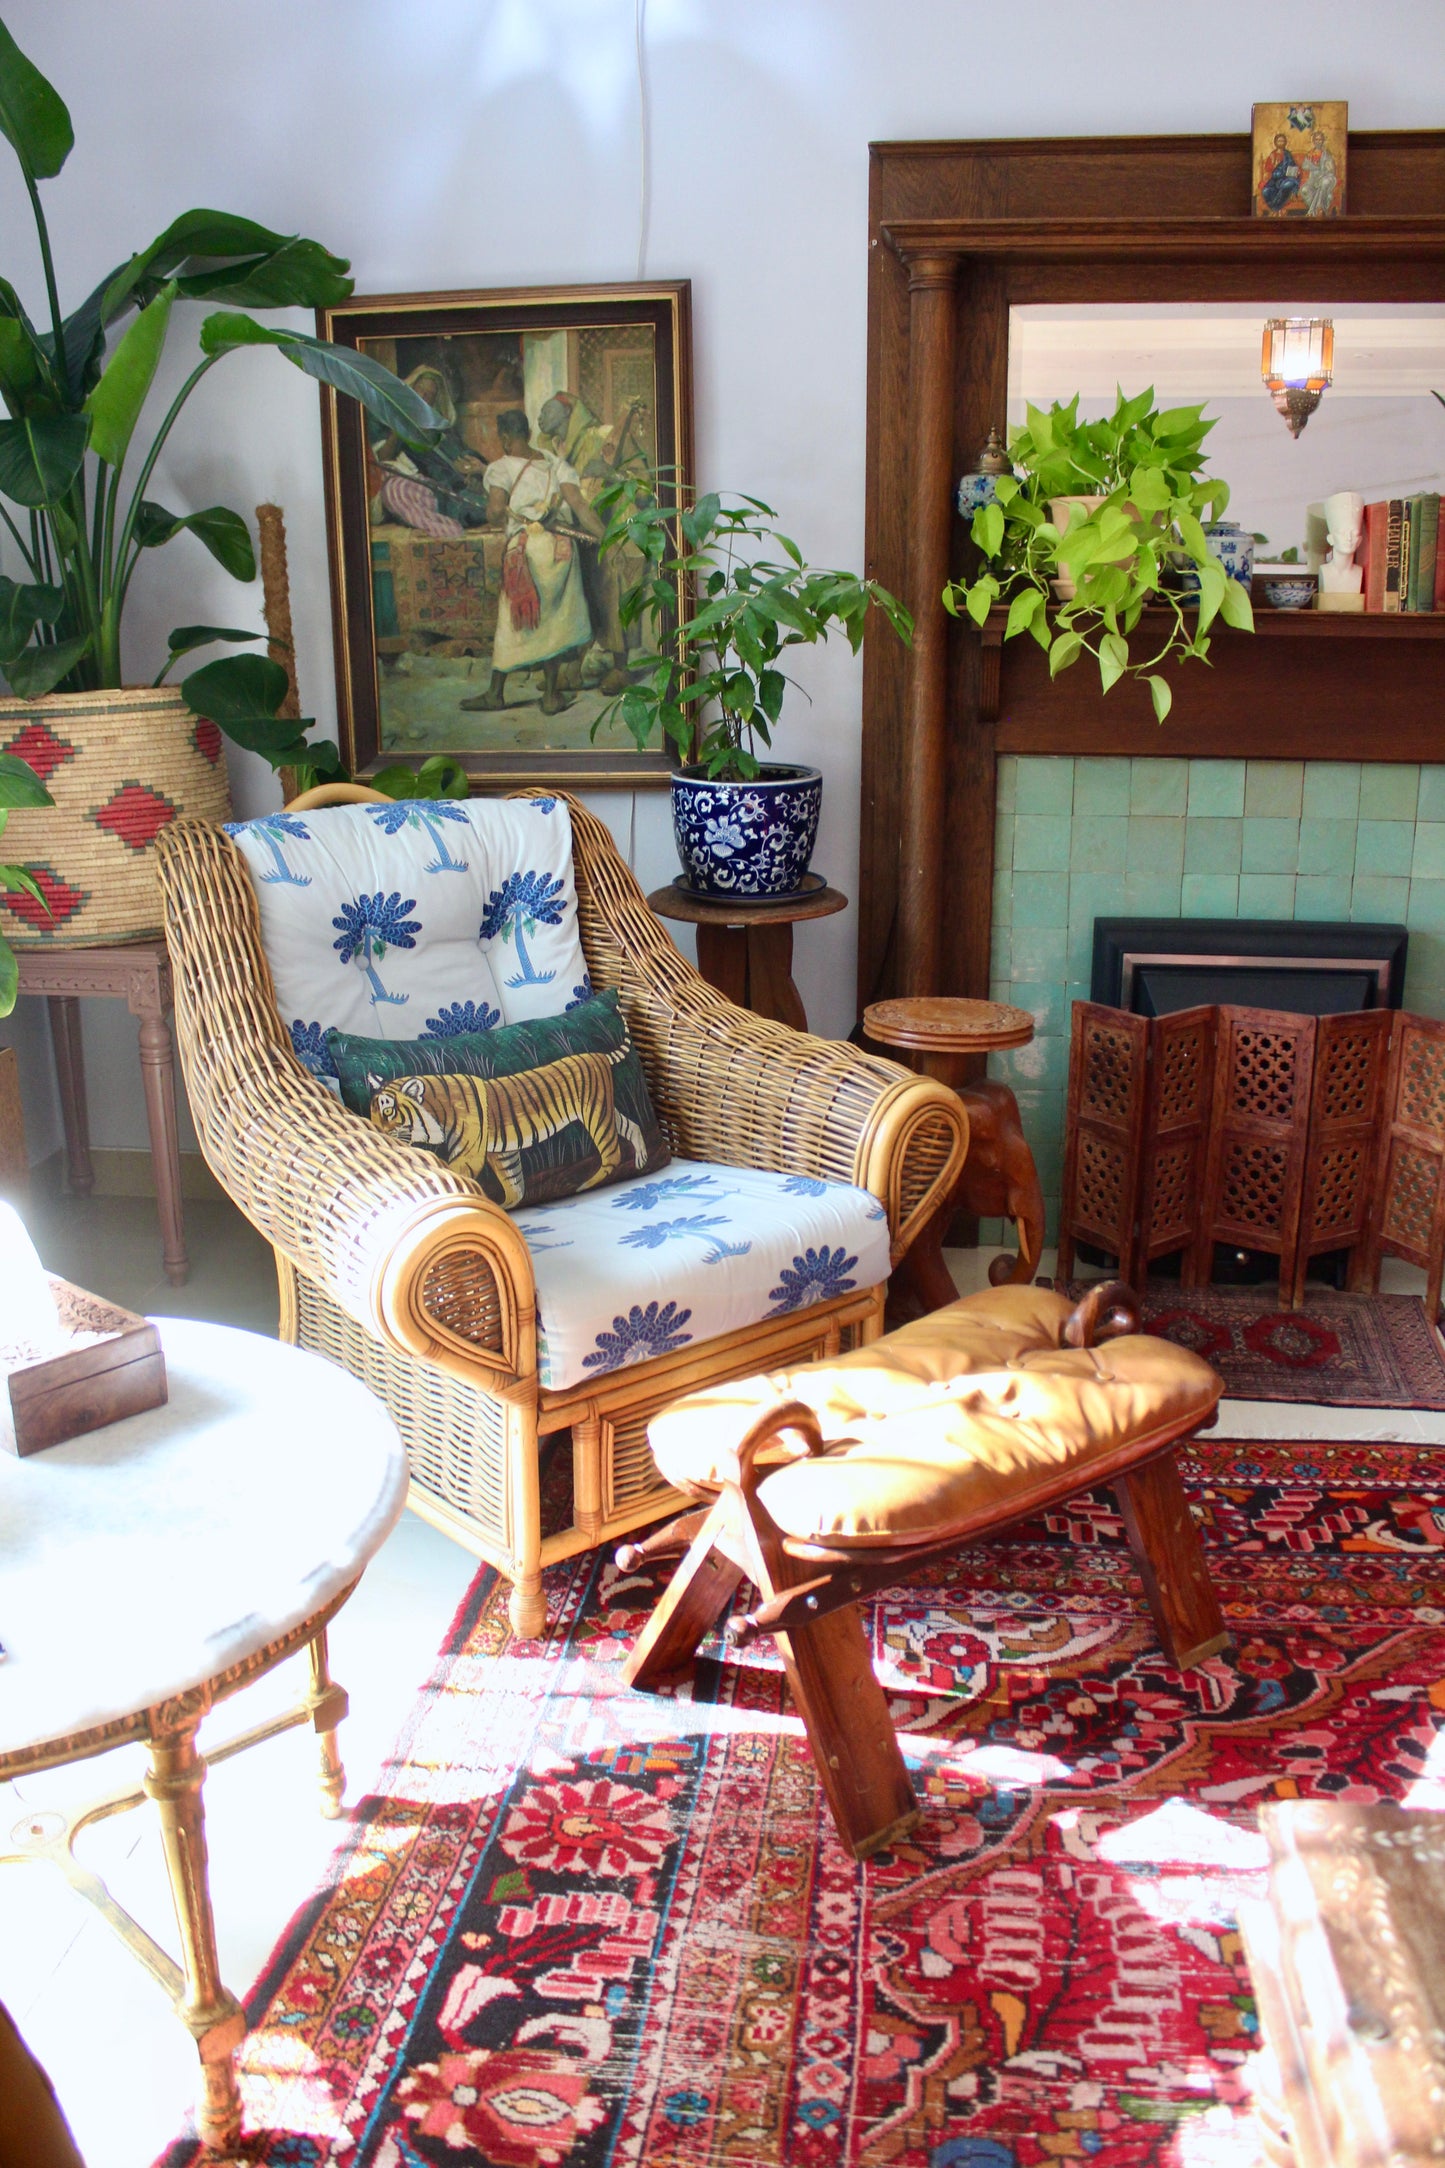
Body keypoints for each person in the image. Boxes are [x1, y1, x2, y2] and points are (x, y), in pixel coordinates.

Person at [460, 409, 606, 717]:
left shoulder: (500, 468)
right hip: (560, 550)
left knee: (510, 624)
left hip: (526, 552)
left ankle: (496, 693)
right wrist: (607, 536)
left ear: (504, 437)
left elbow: (495, 512)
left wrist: (489, 502)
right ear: (527, 434)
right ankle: (551, 696)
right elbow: (579, 505)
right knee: (552, 622)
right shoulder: (555, 463)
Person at [537, 391, 651, 693]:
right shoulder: (555, 450)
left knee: (615, 599)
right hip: (584, 533)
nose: (541, 417)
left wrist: (612, 475)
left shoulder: (605, 436)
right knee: (584, 599)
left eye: (548, 411)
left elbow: (644, 489)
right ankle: (573, 670)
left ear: (568, 415)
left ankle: (621, 669)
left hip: (619, 532)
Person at [369, 361, 490, 537]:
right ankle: (444, 528)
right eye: (421, 391)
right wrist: (400, 425)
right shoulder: (388, 418)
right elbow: (382, 458)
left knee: (482, 507)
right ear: (410, 389)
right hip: (420, 489)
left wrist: (472, 470)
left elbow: (460, 454)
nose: (424, 398)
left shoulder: (438, 427)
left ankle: (456, 522)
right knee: (395, 490)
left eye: (430, 395)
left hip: (451, 490)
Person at [1258, 132, 1302, 215]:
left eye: (1282, 141)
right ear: (1275, 143)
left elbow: (1293, 166)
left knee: (1287, 185)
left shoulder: (1287, 154)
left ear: (1285, 142)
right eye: (1279, 141)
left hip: (1287, 178)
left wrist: (1296, 171)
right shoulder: (1272, 155)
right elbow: (1267, 168)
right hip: (1275, 179)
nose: (1281, 143)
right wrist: (1274, 165)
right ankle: (1276, 208)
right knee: (1266, 191)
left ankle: (1274, 208)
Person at [1299, 129, 1339, 216]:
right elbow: (1305, 166)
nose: (1318, 141)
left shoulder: (1327, 154)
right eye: (1316, 139)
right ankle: (1316, 209)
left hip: (1326, 177)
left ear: (1323, 141)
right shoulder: (1310, 154)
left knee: (1323, 183)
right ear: (1313, 141)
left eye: (1320, 139)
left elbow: (1330, 169)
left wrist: (1321, 171)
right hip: (1313, 178)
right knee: (1304, 190)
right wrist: (1315, 167)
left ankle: (1316, 210)